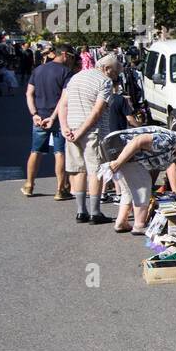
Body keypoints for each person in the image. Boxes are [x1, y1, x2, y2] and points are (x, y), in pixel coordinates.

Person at [57, 53, 119, 224]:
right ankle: (95, 212)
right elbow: (97, 111)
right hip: (93, 131)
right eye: (115, 73)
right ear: (106, 68)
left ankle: (80, 211)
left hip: (72, 128)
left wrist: (65, 128)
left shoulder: (76, 78)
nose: (115, 77)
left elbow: (63, 104)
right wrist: (83, 130)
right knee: (95, 171)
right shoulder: (104, 81)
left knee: (78, 170)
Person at [103, 126, 176, 233]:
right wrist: (118, 163)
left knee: (128, 190)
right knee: (143, 186)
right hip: (122, 151)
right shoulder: (167, 140)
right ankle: (139, 225)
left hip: (120, 151)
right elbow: (138, 141)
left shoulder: (174, 145)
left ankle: (121, 223)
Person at [24, 45, 74, 198]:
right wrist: (53, 117)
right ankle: (60, 189)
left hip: (40, 118)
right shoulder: (66, 72)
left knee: (35, 151)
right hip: (58, 118)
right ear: (64, 54)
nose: (72, 59)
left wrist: (34, 114)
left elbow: (29, 93)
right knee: (59, 153)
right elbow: (63, 99)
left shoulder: (38, 70)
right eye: (71, 56)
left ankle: (29, 185)